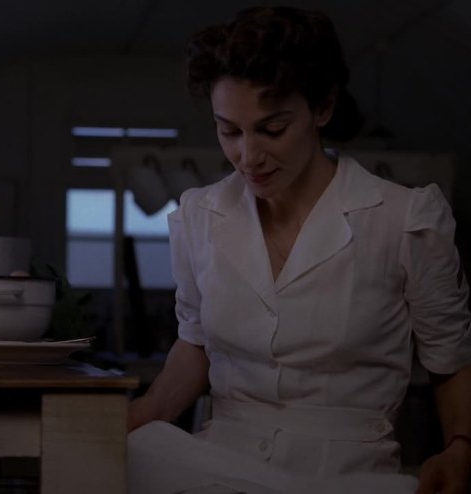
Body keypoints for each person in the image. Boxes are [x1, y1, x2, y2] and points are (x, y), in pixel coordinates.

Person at [127, 6, 471, 494]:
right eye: (230, 131)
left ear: (322, 108)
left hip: (346, 472)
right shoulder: (199, 216)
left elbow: (449, 360)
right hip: (220, 460)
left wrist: (459, 447)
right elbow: (195, 343)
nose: (249, 156)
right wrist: (143, 413)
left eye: (272, 129)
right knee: (138, 450)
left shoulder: (404, 220)